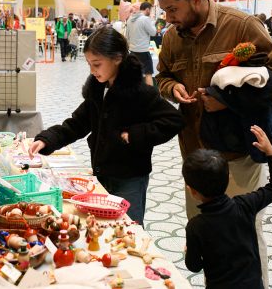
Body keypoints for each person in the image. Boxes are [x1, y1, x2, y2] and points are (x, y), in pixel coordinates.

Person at [153, 0, 272, 289]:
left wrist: (227, 101)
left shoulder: (240, 25)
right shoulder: (173, 37)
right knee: (207, 231)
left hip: (237, 154)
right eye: (164, 12)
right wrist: (173, 89)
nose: (169, 18)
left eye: (173, 9)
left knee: (245, 234)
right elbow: (163, 76)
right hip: (196, 155)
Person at [28, 27, 184, 224]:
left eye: (97, 64)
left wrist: (135, 135)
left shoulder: (140, 93)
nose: (93, 71)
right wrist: (47, 140)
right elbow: (77, 123)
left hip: (130, 178)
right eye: (89, 65)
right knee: (102, 226)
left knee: (129, 226)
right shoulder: (99, 89)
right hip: (102, 174)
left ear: (117, 58)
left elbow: (173, 120)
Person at [183, 126, 272, 289]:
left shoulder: (196, 226)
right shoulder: (246, 205)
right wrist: (271, 152)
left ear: (192, 191)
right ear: (226, 178)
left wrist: (189, 250)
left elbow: (193, 266)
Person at [125, 2, 157, 86]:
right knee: (148, 74)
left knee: (134, 75)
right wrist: (152, 21)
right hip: (143, 51)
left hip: (132, 51)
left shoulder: (129, 19)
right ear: (147, 9)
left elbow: (127, 36)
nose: (151, 12)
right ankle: (150, 96)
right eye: (151, 10)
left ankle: (133, 95)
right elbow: (153, 32)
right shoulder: (145, 19)